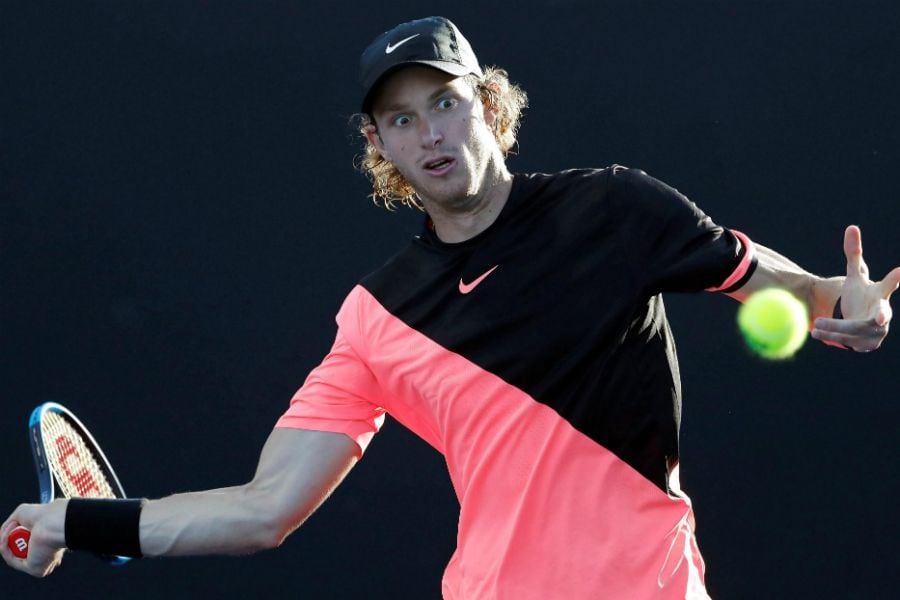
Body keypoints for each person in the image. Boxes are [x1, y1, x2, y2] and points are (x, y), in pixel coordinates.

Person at [2, 15, 898, 600]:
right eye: (401, 119)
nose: (429, 134)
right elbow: (262, 510)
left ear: (489, 104)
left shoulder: (615, 211)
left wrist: (841, 301)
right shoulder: (377, 317)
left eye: (445, 104)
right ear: (378, 144)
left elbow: (786, 288)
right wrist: (77, 521)